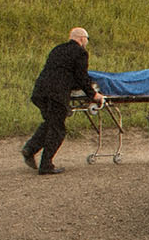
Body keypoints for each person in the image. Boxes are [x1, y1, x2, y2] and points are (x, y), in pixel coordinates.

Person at [21, 27, 103, 175]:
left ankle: (29, 149)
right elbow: (81, 77)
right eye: (87, 39)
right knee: (58, 129)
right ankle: (46, 165)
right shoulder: (80, 52)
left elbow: (60, 72)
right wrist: (94, 95)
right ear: (81, 38)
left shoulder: (57, 49)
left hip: (40, 91)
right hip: (56, 94)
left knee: (51, 123)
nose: (87, 42)